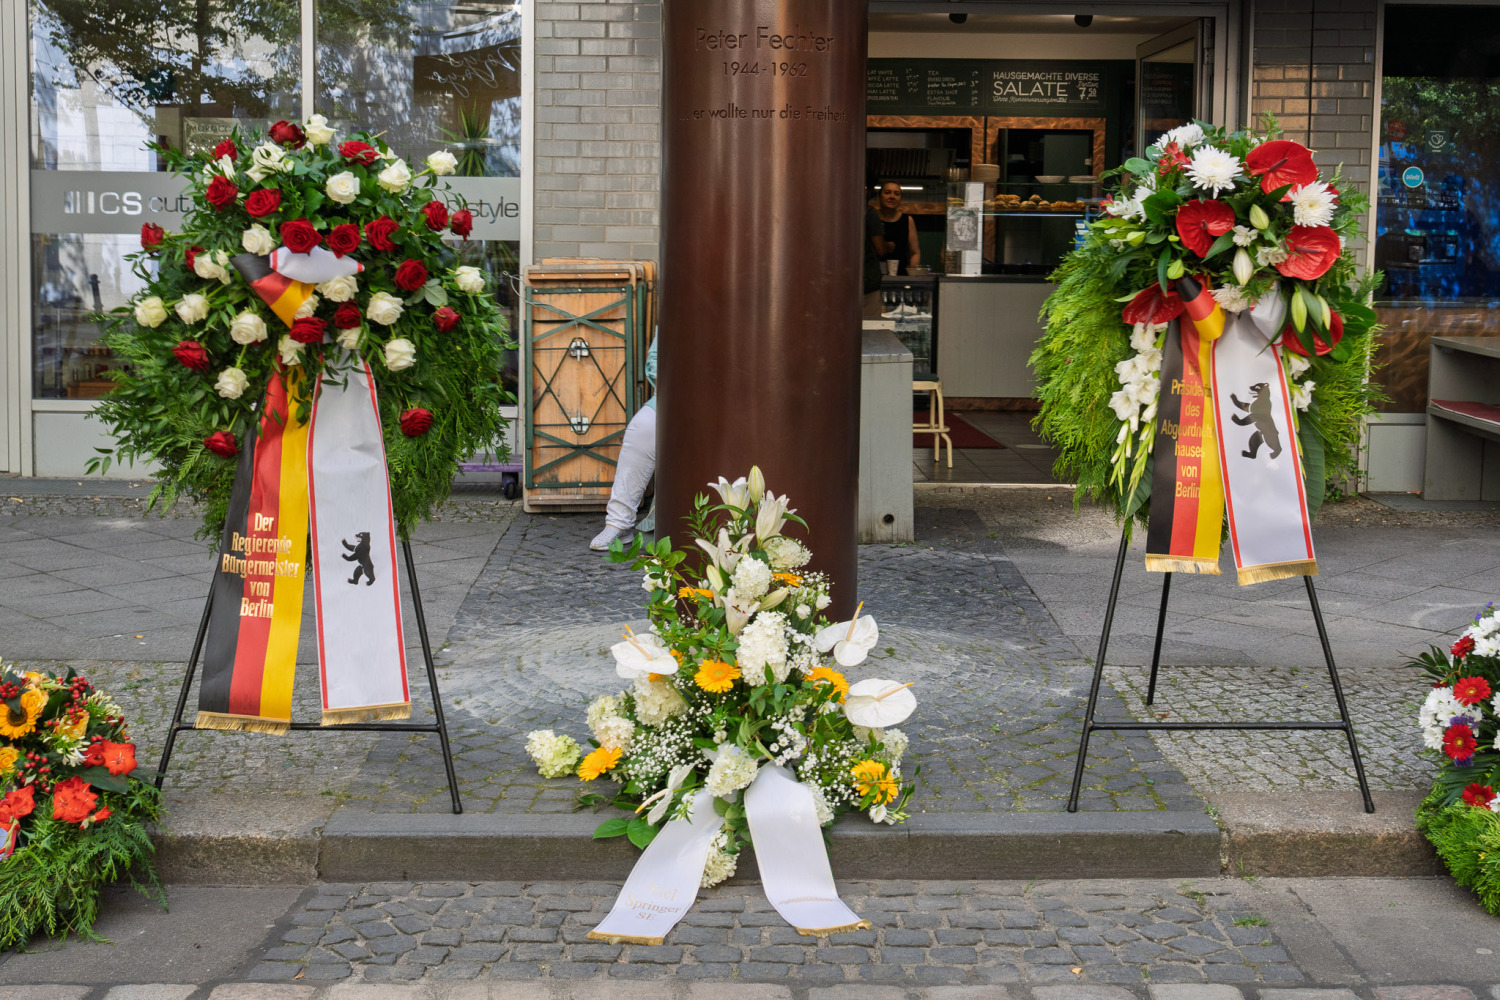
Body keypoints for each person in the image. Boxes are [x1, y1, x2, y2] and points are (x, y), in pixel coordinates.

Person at [591, 335, 657, 551]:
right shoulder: (680, 307)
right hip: (677, 395)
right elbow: (654, 361)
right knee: (642, 426)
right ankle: (619, 523)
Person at [875, 181, 921, 275]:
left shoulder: (907, 220)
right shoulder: (872, 218)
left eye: (897, 194)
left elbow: (915, 252)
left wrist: (912, 274)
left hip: (901, 277)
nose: (892, 197)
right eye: (887, 192)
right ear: (879, 197)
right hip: (873, 276)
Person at [863, 199, 885, 318]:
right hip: (867, 282)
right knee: (869, 329)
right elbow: (880, 249)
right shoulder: (868, 212)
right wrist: (888, 247)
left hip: (834, 284)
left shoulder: (828, 210)